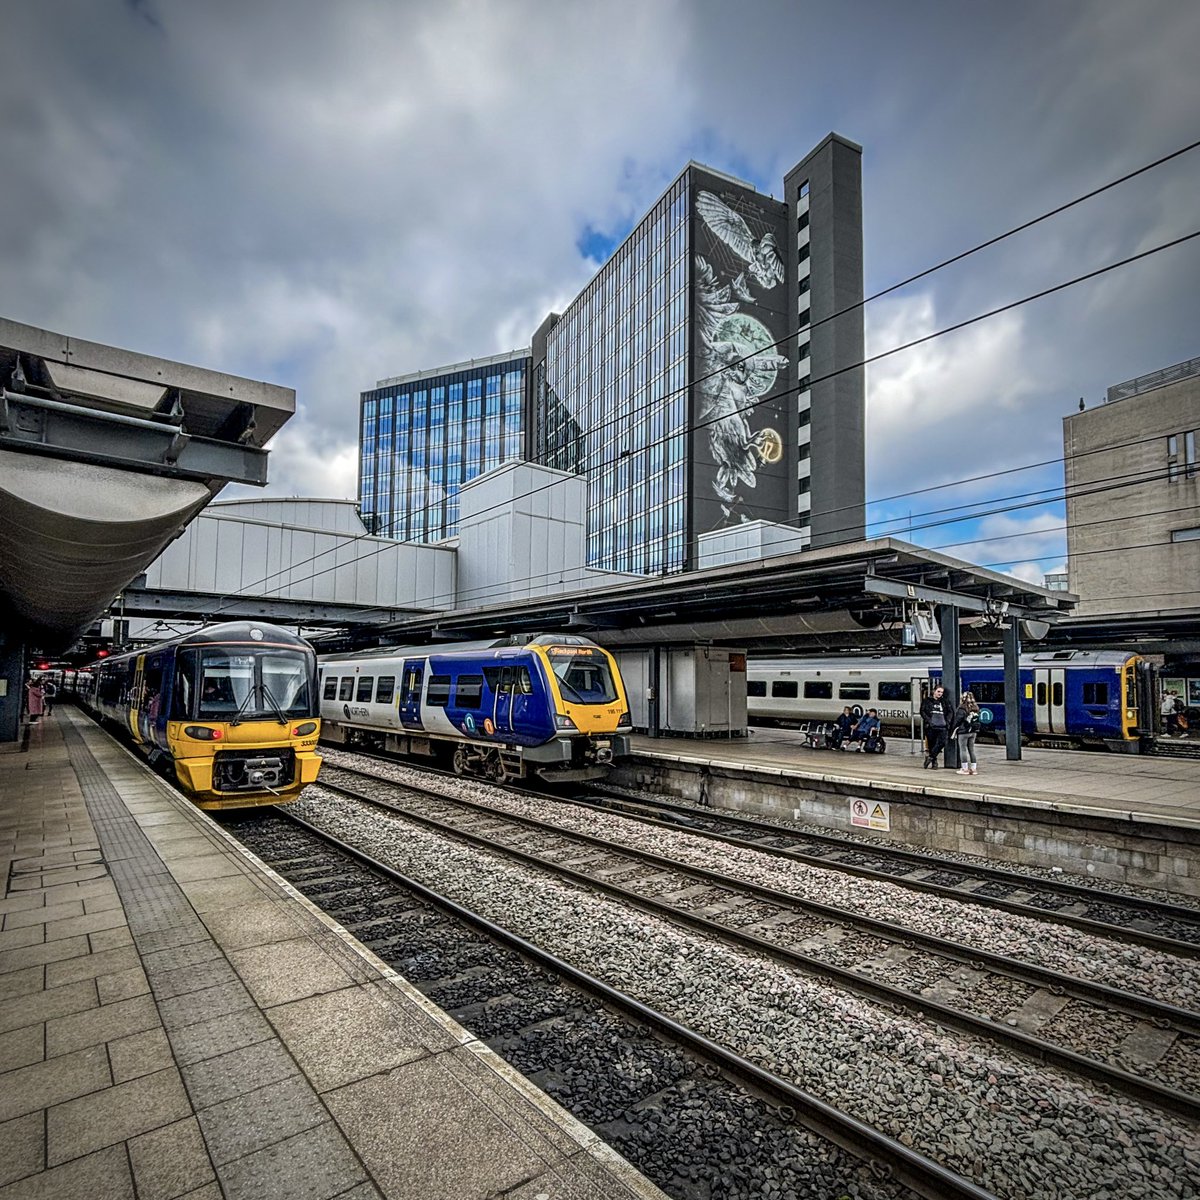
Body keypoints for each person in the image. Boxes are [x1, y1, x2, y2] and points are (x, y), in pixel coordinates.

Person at [920, 684, 953, 768]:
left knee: (942, 742)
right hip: (931, 726)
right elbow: (922, 711)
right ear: (934, 691)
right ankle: (934, 762)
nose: (940, 694)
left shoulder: (945, 701)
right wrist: (929, 721)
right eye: (938, 691)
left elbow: (950, 712)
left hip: (943, 726)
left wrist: (947, 721)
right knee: (932, 744)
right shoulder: (927, 701)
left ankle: (930, 757)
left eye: (941, 692)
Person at [950, 691, 981, 775]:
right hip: (973, 732)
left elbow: (957, 721)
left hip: (963, 732)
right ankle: (974, 769)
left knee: (963, 749)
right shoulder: (976, 708)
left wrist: (952, 728)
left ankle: (965, 769)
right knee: (971, 750)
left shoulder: (962, 708)